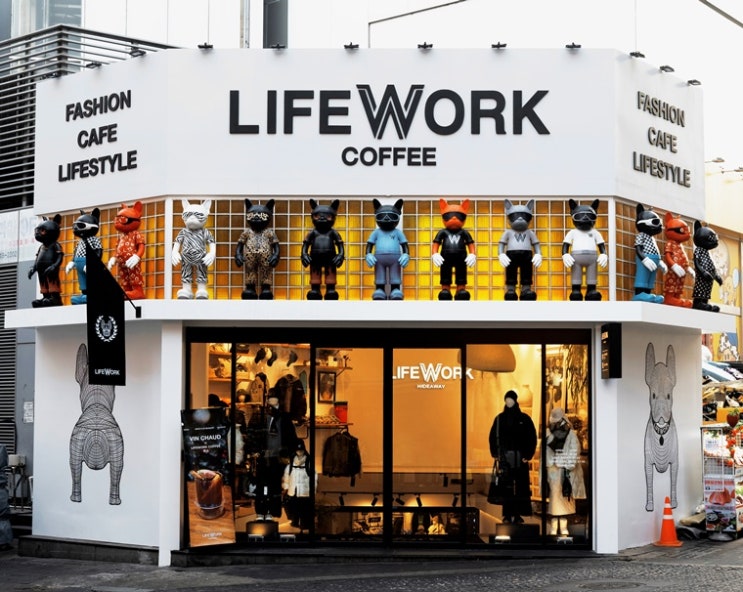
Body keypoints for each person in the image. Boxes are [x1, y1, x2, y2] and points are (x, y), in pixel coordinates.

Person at [247, 389, 299, 520]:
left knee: (275, 486)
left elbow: (291, 438)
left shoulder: (284, 418)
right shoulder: (259, 415)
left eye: (275, 397)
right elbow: (251, 434)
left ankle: (272, 511)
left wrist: (289, 454)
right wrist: (254, 451)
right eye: (270, 397)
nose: (272, 400)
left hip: (278, 458)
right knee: (261, 485)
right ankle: (261, 511)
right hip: (262, 457)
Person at [489, 389, 537, 524]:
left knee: (520, 486)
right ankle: (508, 514)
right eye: (507, 400)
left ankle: (517, 514)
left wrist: (528, 454)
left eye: (511, 400)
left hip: (519, 457)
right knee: (507, 487)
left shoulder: (524, 419)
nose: (509, 402)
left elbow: (531, 437)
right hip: (505, 458)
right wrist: (496, 454)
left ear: (515, 401)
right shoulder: (500, 419)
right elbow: (493, 437)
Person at [545, 407, 585, 536]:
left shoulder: (570, 434)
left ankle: (563, 525)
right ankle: (554, 525)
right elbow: (546, 452)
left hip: (565, 473)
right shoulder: (549, 433)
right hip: (554, 472)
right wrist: (552, 462)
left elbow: (575, 451)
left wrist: (567, 463)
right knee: (555, 501)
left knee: (565, 498)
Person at [282, 441, 314, 529]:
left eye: (301, 450)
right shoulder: (292, 461)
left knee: (303, 508)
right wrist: (286, 487)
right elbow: (287, 475)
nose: (299, 452)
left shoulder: (308, 461)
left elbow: (313, 476)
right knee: (294, 507)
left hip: (304, 490)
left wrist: (312, 489)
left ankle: (303, 524)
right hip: (294, 489)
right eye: (298, 450)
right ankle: (295, 521)